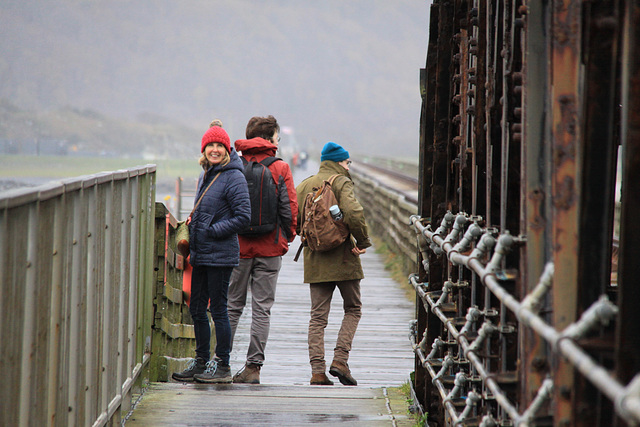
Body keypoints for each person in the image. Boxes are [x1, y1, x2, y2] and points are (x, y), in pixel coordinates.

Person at [171, 121, 251, 384]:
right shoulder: (208, 173)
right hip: (202, 252)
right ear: (204, 149)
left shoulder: (234, 176)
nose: (214, 150)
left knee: (218, 309)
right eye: (210, 145)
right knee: (196, 308)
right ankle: (201, 361)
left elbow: (243, 217)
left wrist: (213, 230)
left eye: (219, 145)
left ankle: (223, 366)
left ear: (227, 149)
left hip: (221, 253)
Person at [227, 115, 298, 384]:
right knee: (262, 309)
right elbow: (290, 209)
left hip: (238, 247)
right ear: (269, 139)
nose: (278, 142)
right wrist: (286, 238)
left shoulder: (234, 164)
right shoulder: (280, 167)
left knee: (232, 306)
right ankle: (253, 368)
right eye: (277, 137)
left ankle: (220, 362)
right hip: (269, 250)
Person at [295, 141, 371, 386]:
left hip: (315, 259)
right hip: (344, 256)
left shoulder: (306, 184)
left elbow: (294, 218)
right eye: (347, 162)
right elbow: (354, 213)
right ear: (340, 162)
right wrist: (363, 241)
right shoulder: (341, 182)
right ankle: (340, 360)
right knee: (353, 308)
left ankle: (317, 372)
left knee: (317, 317)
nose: (348, 166)